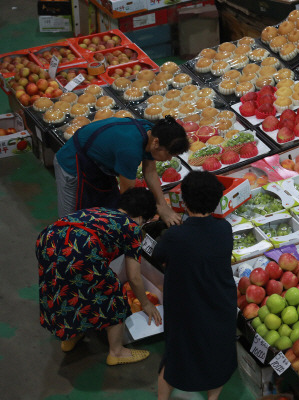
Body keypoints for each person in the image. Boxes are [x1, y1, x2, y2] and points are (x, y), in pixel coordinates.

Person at [36, 187, 163, 365]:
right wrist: (146, 303)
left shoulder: (100, 211)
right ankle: (116, 352)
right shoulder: (131, 227)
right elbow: (134, 277)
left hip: (48, 241)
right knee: (113, 293)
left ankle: (71, 336)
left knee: (67, 290)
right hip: (78, 253)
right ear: (143, 216)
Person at [153, 171, 236, 400]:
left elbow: (159, 255)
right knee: (218, 354)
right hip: (219, 303)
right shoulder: (224, 230)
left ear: (184, 201)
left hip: (186, 307)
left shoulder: (175, 236)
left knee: (175, 356)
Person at [54, 116, 189, 226]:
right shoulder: (130, 151)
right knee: (70, 220)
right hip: (72, 165)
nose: (169, 158)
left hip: (97, 167)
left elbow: (150, 171)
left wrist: (163, 206)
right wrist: (151, 212)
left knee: (101, 211)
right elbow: (128, 198)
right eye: (169, 154)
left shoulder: (149, 131)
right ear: (156, 143)